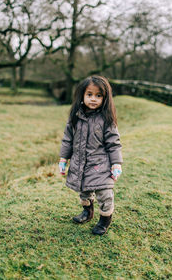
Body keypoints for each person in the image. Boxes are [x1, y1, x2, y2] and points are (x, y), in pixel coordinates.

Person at [59, 75, 123, 235]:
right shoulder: (75, 117)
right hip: (80, 164)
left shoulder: (106, 119)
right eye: (89, 94)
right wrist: (63, 158)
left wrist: (116, 163)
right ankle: (87, 212)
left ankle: (105, 219)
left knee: (105, 194)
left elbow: (114, 143)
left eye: (98, 95)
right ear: (82, 95)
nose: (93, 99)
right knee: (84, 192)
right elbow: (67, 139)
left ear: (105, 98)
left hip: (101, 165)